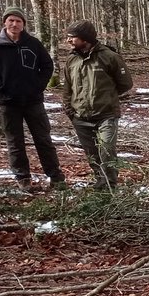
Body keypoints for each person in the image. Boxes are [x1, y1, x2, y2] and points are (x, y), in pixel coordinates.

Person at [0, 6, 65, 191]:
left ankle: (55, 177)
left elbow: (47, 65)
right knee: (15, 142)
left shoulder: (33, 43)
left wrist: (39, 85)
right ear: (4, 22)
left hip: (33, 100)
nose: (14, 24)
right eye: (11, 20)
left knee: (43, 139)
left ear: (23, 24)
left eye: (18, 21)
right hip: (8, 102)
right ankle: (23, 179)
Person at [62, 20, 132, 189]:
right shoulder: (71, 60)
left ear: (85, 38)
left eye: (73, 37)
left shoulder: (109, 56)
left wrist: (107, 97)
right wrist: (70, 111)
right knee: (92, 154)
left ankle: (110, 186)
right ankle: (100, 182)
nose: (69, 41)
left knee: (107, 151)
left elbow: (125, 83)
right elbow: (67, 87)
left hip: (106, 115)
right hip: (80, 117)